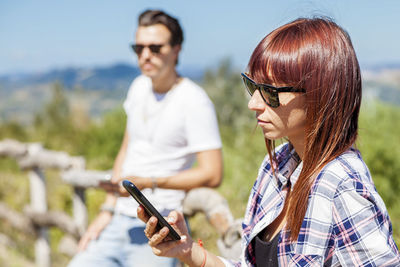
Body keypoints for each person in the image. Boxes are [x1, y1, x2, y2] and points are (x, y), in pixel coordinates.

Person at [138, 17, 400, 266]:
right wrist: (187, 251)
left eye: (270, 93)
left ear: (321, 94)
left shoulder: (341, 186)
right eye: (253, 87)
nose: (253, 104)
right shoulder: (276, 166)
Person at [68, 9, 223, 267]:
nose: (145, 55)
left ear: (176, 50)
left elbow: (213, 173)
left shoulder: (195, 101)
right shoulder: (138, 86)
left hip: (160, 227)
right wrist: (108, 209)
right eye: (138, 48)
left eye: (155, 47)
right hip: (118, 221)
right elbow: (127, 148)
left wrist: (149, 182)